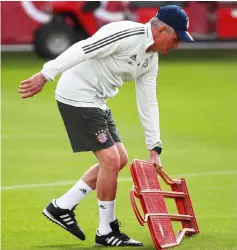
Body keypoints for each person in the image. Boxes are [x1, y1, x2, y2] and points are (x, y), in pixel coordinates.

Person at [18, 5, 193, 247]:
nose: (176, 45)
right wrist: (46, 74)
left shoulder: (151, 59)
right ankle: (106, 231)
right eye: (175, 38)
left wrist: (154, 147)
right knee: (110, 160)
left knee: (119, 159)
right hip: (76, 94)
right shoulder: (125, 34)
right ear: (161, 29)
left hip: (97, 101)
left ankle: (61, 207)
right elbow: (83, 48)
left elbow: (148, 101)